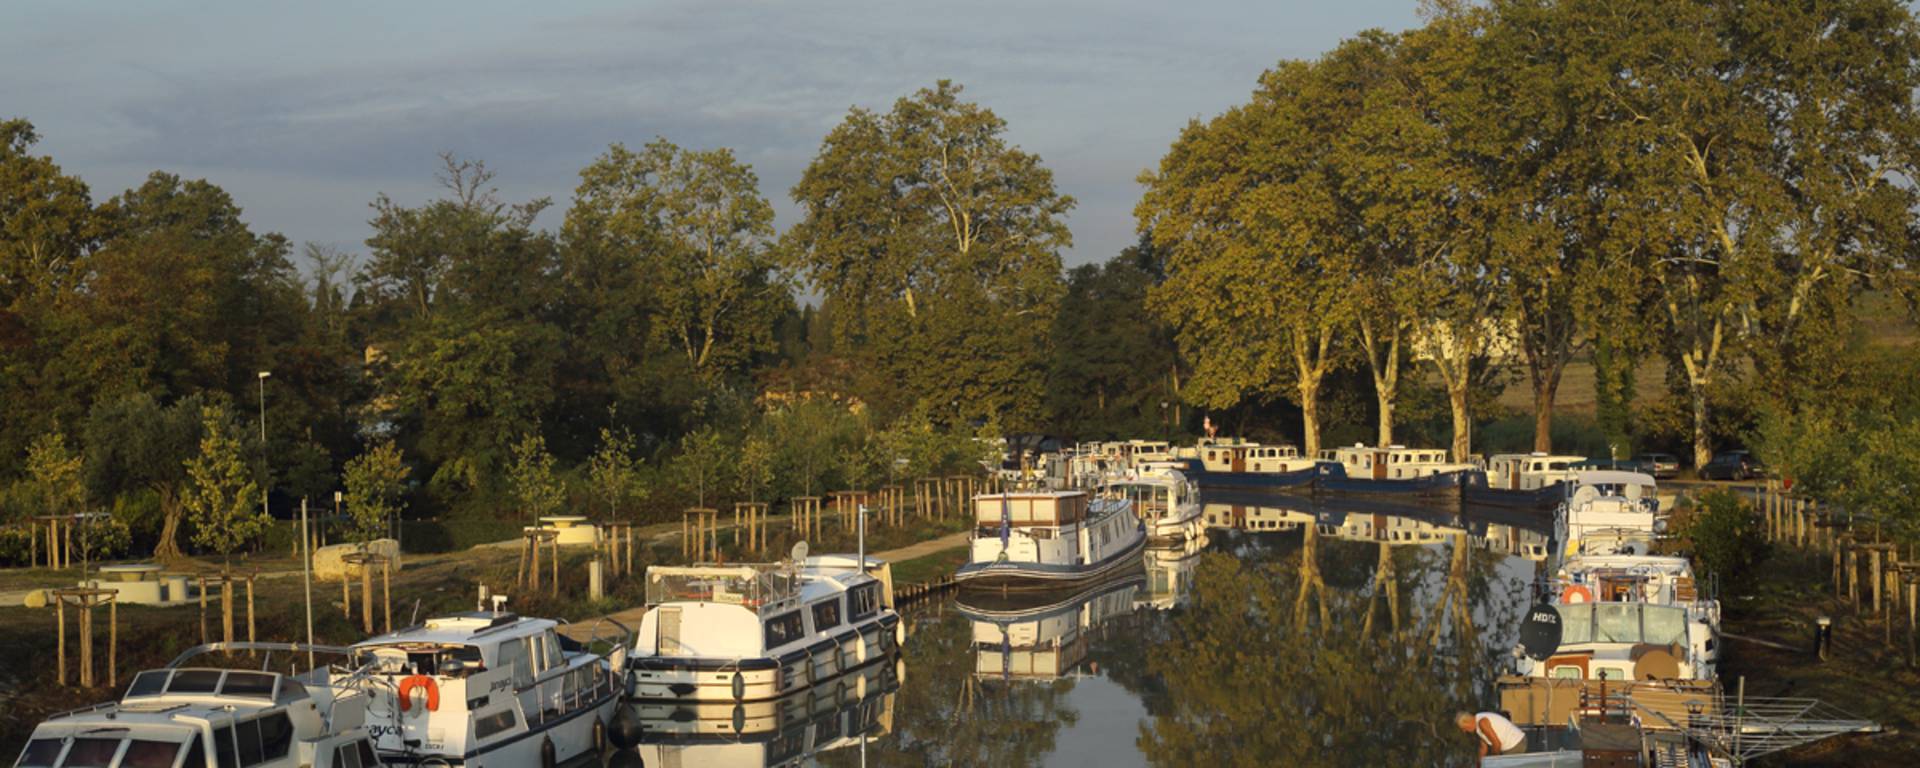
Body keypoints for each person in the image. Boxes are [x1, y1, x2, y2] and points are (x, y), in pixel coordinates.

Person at [1456, 710, 1525, 761]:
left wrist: (1493, 761)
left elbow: (1497, 744)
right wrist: (1479, 764)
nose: (1464, 731)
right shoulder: (1477, 724)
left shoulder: (1482, 723)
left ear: (1467, 722)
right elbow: (1483, 748)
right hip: (1512, 745)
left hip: (1516, 744)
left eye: (1464, 728)